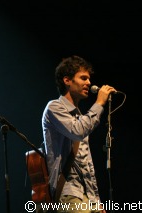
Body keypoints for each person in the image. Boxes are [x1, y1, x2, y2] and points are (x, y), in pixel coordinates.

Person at [41, 55, 115, 213]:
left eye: (88, 79)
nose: (88, 83)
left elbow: (85, 163)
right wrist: (99, 102)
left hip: (87, 195)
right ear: (67, 80)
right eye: (83, 78)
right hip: (68, 193)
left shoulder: (80, 116)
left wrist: (96, 201)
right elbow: (78, 131)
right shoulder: (54, 107)